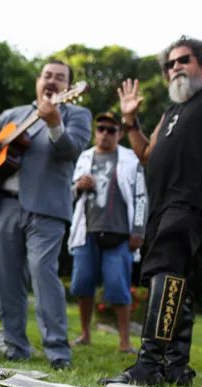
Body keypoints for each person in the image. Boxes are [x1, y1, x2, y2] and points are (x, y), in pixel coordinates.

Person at [100, 12, 202, 387]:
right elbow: (147, 154)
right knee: (171, 279)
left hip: (190, 202)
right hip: (162, 206)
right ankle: (176, 367)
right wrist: (131, 122)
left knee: (165, 272)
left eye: (184, 60)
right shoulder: (172, 111)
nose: (175, 67)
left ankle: (147, 366)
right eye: (171, 63)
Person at [0, 60, 93, 369]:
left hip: (47, 209)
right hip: (5, 205)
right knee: (7, 280)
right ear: (38, 81)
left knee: (43, 275)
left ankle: (58, 353)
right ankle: (16, 347)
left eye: (60, 78)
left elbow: (71, 150)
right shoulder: (13, 114)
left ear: (68, 87)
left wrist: (53, 122)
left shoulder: (77, 114)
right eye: (47, 75)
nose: (52, 81)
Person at [68, 112, 148, 355]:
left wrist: (139, 231)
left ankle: (125, 342)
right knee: (82, 284)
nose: (105, 133)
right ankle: (84, 334)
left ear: (120, 134)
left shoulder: (131, 159)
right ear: (96, 131)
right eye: (101, 128)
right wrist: (78, 186)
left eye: (111, 130)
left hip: (119, 234)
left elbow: (142, 197)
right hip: (87, 231)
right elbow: (69, 191)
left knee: (118, 287)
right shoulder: (84, 157)